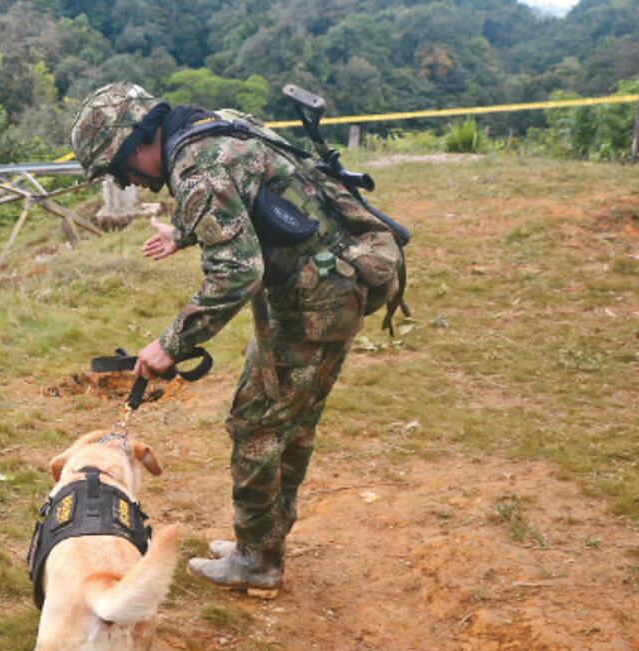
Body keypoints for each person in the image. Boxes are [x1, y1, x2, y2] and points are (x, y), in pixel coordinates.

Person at [69, 82, 404, 597]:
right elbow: (248, 188)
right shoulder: (208, 126)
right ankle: (262, 543)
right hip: (323, 284)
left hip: (316, 301)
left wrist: (169, 344)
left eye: (121, 170)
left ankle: (258, 559)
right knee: (285, 421)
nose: (132, 182)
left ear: (135, 143)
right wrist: (183, 230)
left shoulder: (196, 166)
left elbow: (235, 273)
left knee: (259, 426)